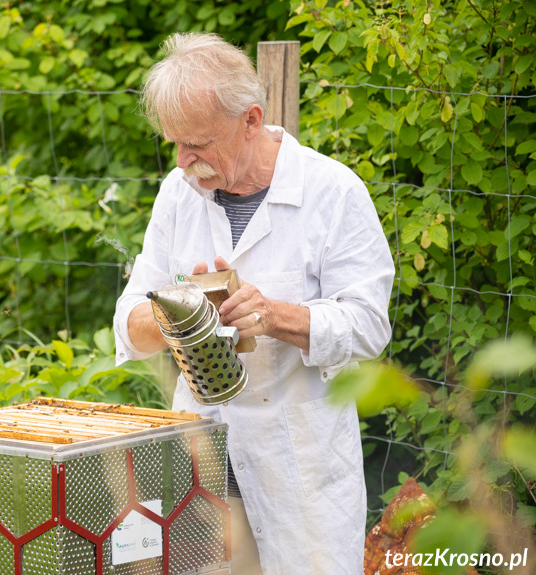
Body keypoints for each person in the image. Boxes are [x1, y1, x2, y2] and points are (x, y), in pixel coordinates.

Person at [113, 32, 394, 574]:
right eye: (174, 142)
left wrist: (275, 316)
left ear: (251, 119)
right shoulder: (178, 192)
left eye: (197, 143)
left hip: (301, 472)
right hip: (202, 468)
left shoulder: (332, 192)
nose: (183, 160)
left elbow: (368, 325)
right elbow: (129, 324)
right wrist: (183, 314)